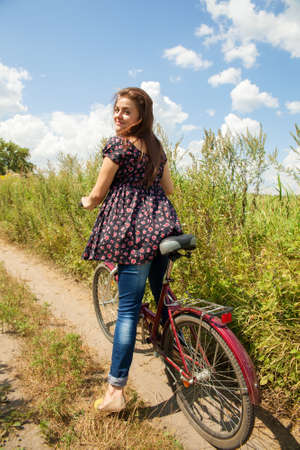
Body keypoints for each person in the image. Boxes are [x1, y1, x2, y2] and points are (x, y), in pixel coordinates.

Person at [81, 87, 181, 412]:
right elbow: (167, 188)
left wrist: (87, 201)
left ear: (140, 117)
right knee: (161, 294)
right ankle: (183, 344)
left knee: (127, 310)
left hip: (135, 237)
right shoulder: (156, 147)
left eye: (126, 111)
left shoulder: (119, 146)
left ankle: (115, 392)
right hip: (162, 227)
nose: (118, 116)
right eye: (116, 110)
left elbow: (98, 193)